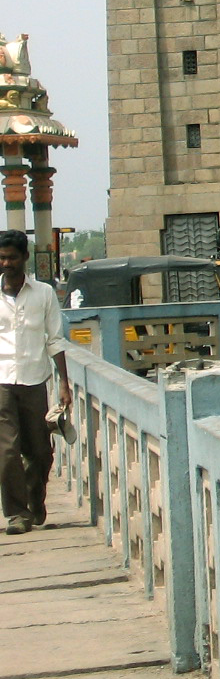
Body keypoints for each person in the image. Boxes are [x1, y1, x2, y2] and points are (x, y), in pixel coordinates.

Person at [0, 229, 70, 534]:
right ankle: (17, 514)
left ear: (24, 258)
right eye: (1, 257)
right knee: (6, 452)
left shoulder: (43, 294)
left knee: (39, 451)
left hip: (34, 380)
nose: (6, 263)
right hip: (1, 381)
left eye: (12, 257)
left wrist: (64, 383)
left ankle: (34, 499)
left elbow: (55, 339)